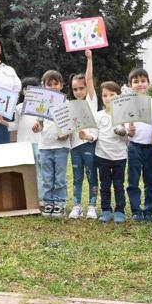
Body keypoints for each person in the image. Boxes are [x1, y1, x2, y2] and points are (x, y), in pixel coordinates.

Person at [32, 70, 70, 218]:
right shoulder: (42, 103)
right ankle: (48, 203)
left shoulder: (66, 103)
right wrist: (37, 128)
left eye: (56, 83)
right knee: (47, 177)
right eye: (49, 84)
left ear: (61, 85)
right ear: (44, 86)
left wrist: (67, 133)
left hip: (61, 146)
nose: (53, 87)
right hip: (44, 146)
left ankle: (60, 203)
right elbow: (40, 124)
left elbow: (71, 125)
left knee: (59, 177)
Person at [67, 50, 98, 220]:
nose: (78, 91)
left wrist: (89, 59)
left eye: (81, 88)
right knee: (77, 178)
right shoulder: (70, 105)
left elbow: (89, 78)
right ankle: (77, 206)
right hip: (75, 147)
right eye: (75, 89)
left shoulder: (91, 100)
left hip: (90, 145)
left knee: (92, 176)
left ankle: (92, 206)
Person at [125, 68, 152, 222]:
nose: (140, 84)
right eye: (136, 82)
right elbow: (126, 128)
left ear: (148, 83)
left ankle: (148, 210)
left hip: (150, 148)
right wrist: (129, 131)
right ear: (130, 85)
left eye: (143, 81)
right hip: (134, 147)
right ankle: (136, 210)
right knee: (133, 180)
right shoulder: (127, 105)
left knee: (150, 180)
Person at [94, 81, 129, 224]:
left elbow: (128, 135)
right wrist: (87, 136)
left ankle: (120, 210)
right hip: (102, 156)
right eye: (105, 95)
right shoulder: (98, 115)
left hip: (119, 156)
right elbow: (94, 134)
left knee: (119, 185)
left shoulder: (124, 115)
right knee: (105, 185)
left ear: (118, 96)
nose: (108, 98)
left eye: (112, 95)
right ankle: (106, 210)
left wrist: (124, 132)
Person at [0, 76, 41, 145]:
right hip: (22, 142)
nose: (30, 91)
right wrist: (2, 121)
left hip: (39, 142)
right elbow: (16, 125)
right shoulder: (19, 107)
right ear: (23, 91)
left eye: (34, 89)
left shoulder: (42, 107)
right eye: (27, 89)